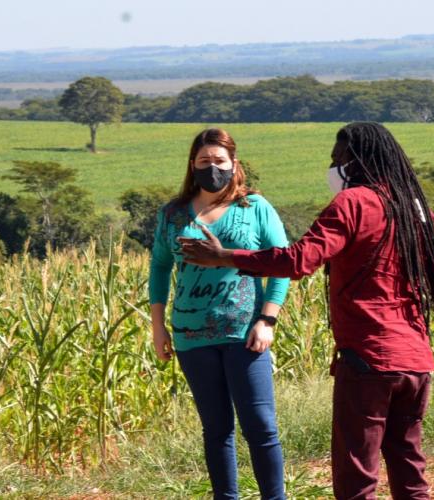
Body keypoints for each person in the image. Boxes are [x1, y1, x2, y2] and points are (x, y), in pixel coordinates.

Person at [180, 122, 434, 500]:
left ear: (355, 162)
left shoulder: (352, 203)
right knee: (409, 469)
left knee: (357, 476)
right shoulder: (416, 209)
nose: (334, 167)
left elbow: (300, 260)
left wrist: (224, 257)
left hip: (368, 360)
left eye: (338, 159)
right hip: (416, 364)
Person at [149, 128, 291, 500]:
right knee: (215, 428)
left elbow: (282, 265)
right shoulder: (173, 214)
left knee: (260, 426)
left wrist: (268, 319)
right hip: (191, 335)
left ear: (234, 164)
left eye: (219, 161)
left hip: (245, 333)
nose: (212, 168)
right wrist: (158, 327)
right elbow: (160, 268)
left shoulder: (255, 207)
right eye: (204, 161)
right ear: (191, 165)